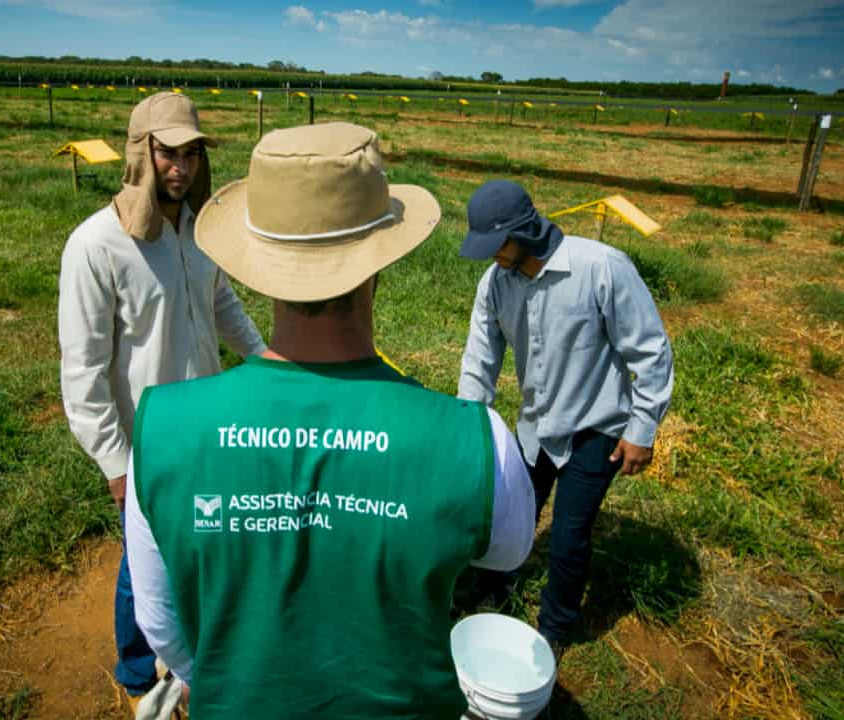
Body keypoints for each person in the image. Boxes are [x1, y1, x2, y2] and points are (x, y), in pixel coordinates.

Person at [123, 122, 536, 719]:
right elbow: (507, 551)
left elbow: (159, 622)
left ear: (254, 264)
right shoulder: (475, 440)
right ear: (379, 267)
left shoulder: (162, 430)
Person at [57, 91, 266, 700]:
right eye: (169, 153)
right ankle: (133, 669)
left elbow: (219, 300)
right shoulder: (97, 246)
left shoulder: (199, 233)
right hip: (146, 441)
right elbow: (84, 372)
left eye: (193, 153)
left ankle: (189, 651)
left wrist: (262, 358)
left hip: (206, 423)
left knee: (199, 542)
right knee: (141, 566)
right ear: (140, 154)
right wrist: (116, 464)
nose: (182, 167)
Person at [457, 179, 674, 663]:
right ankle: (494, 590)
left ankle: (554, 628)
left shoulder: (601, 268)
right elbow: (480, 356)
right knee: (510, 515)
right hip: (535, 425)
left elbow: (650, 349)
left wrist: (642, 429)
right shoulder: (496, 283)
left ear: (525, 233)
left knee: (569, 535)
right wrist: (470, 424)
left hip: (596, 428)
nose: (492, 257)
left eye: (497, 246)